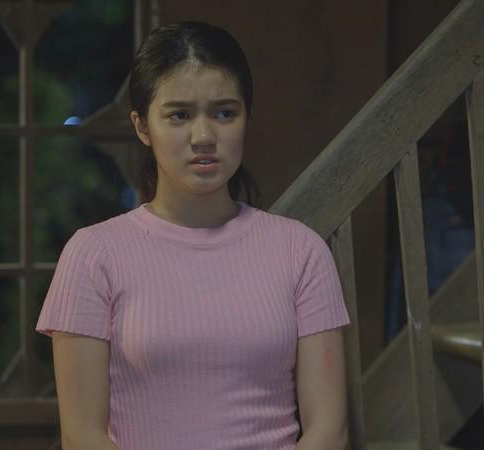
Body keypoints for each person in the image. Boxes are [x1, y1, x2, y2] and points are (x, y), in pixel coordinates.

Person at [36, 21, 351, 450]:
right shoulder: (94, 254)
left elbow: (329, 430)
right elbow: (82, 436)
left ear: (247, 118)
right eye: (179, 115)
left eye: (224, 113)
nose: (203, 137)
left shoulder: (301, 251)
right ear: (142, 126)